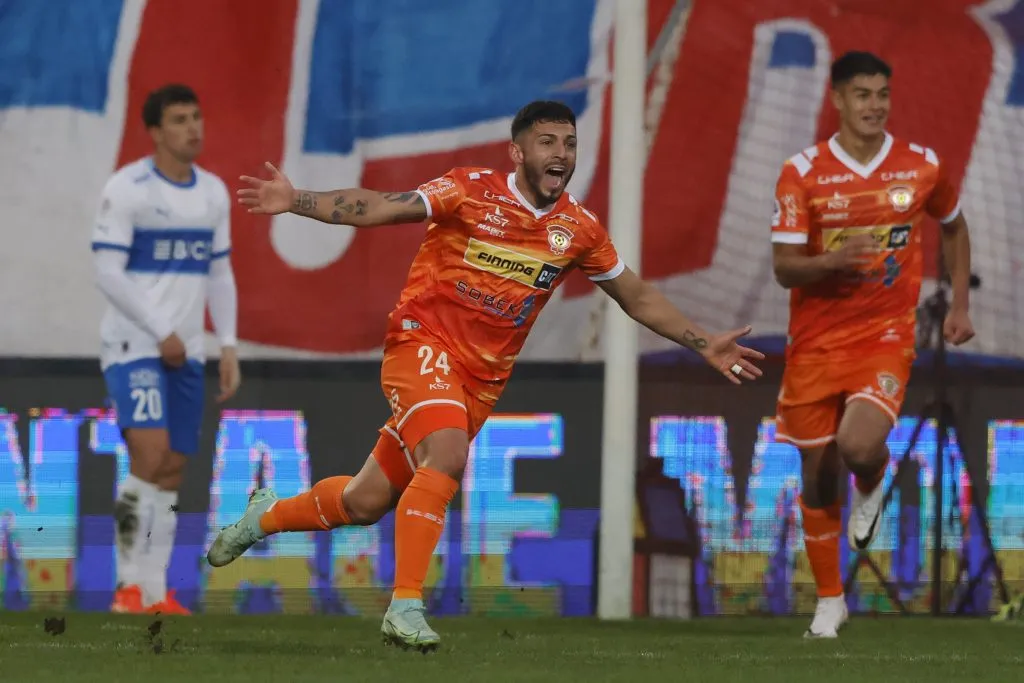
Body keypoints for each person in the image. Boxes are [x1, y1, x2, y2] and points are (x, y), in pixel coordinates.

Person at [208, 100, 764, 650]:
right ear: (517, 152)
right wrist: (297, 200)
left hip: (479, 382)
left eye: (569, 143)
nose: (561, 154)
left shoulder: (579, 229)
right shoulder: (469, 189)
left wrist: (702, 342)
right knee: (447, 454)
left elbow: (635, 296)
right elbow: (381, 206)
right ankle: (405, 606)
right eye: (548, 142)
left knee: (364, 502)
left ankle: (265, 517)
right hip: (421, 344)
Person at [770, 52, 975, 638]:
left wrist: (959, 304)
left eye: (882, 94)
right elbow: (784, 268)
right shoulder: (802, 173)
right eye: (862, 94)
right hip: (814, 343)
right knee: (817, 472)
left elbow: (954, 226)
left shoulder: (921, 166)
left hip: (884, 335)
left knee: (858, 445)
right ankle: (829, 602)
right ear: (837, 99)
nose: (874, 105)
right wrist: (832, 261)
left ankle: (873, 479)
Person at [91, 84, 241, 615]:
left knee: (173, 467)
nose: (192, 128)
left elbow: (219, 272)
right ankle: (126, 587)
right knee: (150, 455)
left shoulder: (213, 193)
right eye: (179, 119)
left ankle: (154, 591)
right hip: (135, 344)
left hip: (188, 349)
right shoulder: (127, 188)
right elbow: (107, 271)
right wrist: (160, 329)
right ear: (155, 131)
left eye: (196, 117)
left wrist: (227, 344)